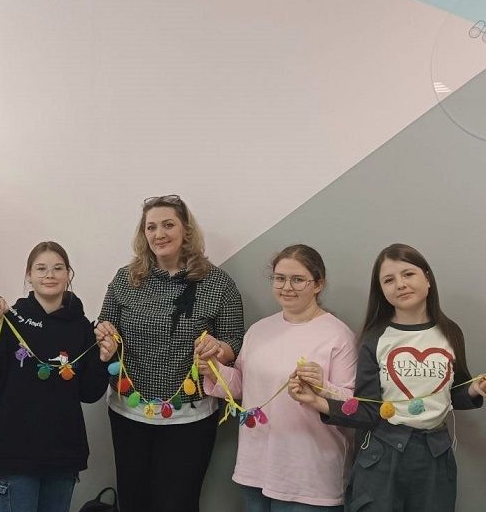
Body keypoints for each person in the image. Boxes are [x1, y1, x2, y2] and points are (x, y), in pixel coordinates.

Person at [289, 243, 486, 511]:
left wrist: (474, 389)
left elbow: (450, 395)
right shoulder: (375, 338)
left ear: (427, 278)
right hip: (382, 456)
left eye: (408, 274)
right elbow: (368, 410)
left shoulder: (450, 332)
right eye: (389, 280)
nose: (400, 284)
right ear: (381, 290)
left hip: (435, 458)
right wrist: (317, 401)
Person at [95, 194, 245, 512]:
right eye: (151, 227)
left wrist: (218, 349)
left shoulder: (218, 283)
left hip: (190, 416)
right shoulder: (125, 278)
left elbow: (234, 342)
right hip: (129, 411)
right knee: (133, 501)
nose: (159, 234)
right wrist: (105, 339)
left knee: (179, 502)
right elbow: (106, 329)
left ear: (186, 230)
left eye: (168, 225)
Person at [200, 244, 356, 511]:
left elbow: (351, 405)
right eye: (280, 278)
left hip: (309, 474)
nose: (287, 287)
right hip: (256, 466)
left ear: (318, 284)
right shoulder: (259, 330)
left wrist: (322, 386)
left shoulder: (338, 335)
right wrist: (213, 368)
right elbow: (242, 387)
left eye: (298, 280)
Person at [0, 241, 118, 512]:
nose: (50, 275)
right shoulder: (10, 321)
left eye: (58, 268)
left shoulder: (83, 328)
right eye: (41, 268)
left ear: (68, 274)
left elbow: (88, 394)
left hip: (62, 455)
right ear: (29, 275)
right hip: (13, 452)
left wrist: (103, 360)